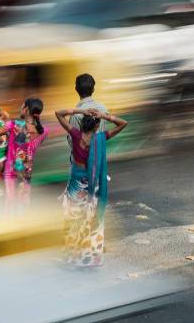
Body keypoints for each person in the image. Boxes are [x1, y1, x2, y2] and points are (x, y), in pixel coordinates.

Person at [55, 107, 128, 267]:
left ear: (82, 124)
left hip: (76, 182)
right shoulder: (101, 137)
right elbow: (123, 123)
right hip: (93, 184)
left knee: (72, 218)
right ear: (96, 127)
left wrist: (80, 110)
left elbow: (58, 113)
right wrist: (104, 116)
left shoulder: (75, 134)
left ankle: (70, 256)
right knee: (91, 218)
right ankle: (90, 257)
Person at [0, 98, 49, 213]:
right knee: (23, 206)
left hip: (10, 172)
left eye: (22, 106)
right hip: (25, 174)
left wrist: (1, 140)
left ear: (25, 109)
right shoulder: (44, 131)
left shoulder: (13, 125)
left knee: (9, 205)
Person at [69, 74, 108, 143]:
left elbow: (72, 142)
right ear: (93, 90)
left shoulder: (75, 115)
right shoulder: (103, 109)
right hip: (99, 152)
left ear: (76, 89)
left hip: (82, 153)